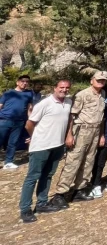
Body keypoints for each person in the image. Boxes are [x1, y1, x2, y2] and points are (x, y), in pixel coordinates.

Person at [18, 80, 72, 223]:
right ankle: (25, 209)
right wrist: (34, 137)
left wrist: (68, 136)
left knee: (48, 175)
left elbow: (69, 120)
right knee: (32, 177)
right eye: (61, 87)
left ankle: (42, 203)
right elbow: (29, 124)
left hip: (58, 145)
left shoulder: (68, 102)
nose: (64, 90)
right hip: (41, 146)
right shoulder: (44, 104)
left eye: (67, 88)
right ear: (55, 88)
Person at [53, 71, 107, 203]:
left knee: (88, 161)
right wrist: (69, 134)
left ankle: (80, 190)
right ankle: (60, 193)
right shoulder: (82, 95)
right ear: (91, 80)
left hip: (95, 130)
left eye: (103, 80)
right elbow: (72, 115)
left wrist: (101, 135)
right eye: (98, 80)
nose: (101, 82)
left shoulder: (103, 94)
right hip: (82, 130)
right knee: (73, 161)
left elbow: (101, 118)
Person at [0, 74, 34, 169]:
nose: (25, 83)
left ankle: (8, 162)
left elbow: (29, 108)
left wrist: (30, 120)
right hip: (4, 120)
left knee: (13, 142)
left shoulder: (29, 93)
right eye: (23, 81)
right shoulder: (8, 93)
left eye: (27, 82)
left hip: (19, 122)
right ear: (17, 82)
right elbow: (0, 105)